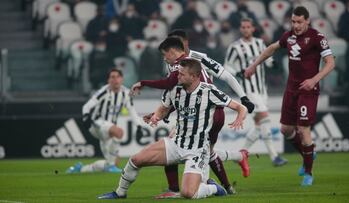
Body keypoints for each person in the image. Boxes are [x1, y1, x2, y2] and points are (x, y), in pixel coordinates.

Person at [97, 58, 248, 199]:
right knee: (136, 159)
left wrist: (239, 118)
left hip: (197, 149)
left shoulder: (209, 91)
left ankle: (214, 188)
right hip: (175, 143)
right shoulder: (174, 90)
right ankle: (120, 193)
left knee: (188, 193)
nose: (177, 76)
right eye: (178, 73)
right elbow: (163, 108)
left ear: (194, 76)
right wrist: (156, 116)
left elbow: (240, 107)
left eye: (182, 74)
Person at [131, 36, 252, 197]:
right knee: (199, 148)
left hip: (210, 109)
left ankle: (195, 187)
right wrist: (162, 113)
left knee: (197, 147)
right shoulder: (177, 66)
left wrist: (243, 97)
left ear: (178, 46)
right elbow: (180, 94)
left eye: (165, 53)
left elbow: (225, 75)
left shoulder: (195, 59)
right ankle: (229, 174)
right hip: (199, 109)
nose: (164, 57)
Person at [244, 6, 335, 186]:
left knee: (303, 129)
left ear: (307, 21)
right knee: (286, 129)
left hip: (308, 90)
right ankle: (307, 154)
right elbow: (271, 48)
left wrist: (314, 79)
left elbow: (330, 63)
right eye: (293, 21)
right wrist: (254, 65)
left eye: (299, 22)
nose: (296, 25)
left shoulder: (317, 38)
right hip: (291, 89)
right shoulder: (288, 36)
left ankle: (308, 173)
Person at [224, 18, 288, 167]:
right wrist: (238, 73)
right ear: (240, 29)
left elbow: (266, 58)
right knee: (265, 118)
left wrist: (273, 64)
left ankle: (241, 154)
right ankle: (274, 157)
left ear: (253, 29)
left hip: (261, 89)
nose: (245, 29)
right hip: (247, 89)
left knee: (259, 124)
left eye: (248, 27)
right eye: (243, 27)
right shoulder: (235, 47)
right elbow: (226, 66)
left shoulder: (259, 43)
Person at [66, 68, 143, 173]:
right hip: (97, 123)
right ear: (108, 80)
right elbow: (87, 106)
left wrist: (139, 126)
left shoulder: (126, 93)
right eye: (112, 77)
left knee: (113, 162)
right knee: (119, 132)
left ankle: (80, 169)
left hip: (108, 129)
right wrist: (86, 118)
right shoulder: (103, 92)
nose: (115, 80)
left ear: (122, 79)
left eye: (117, 77)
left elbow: (132, 111)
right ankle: (110, 166)